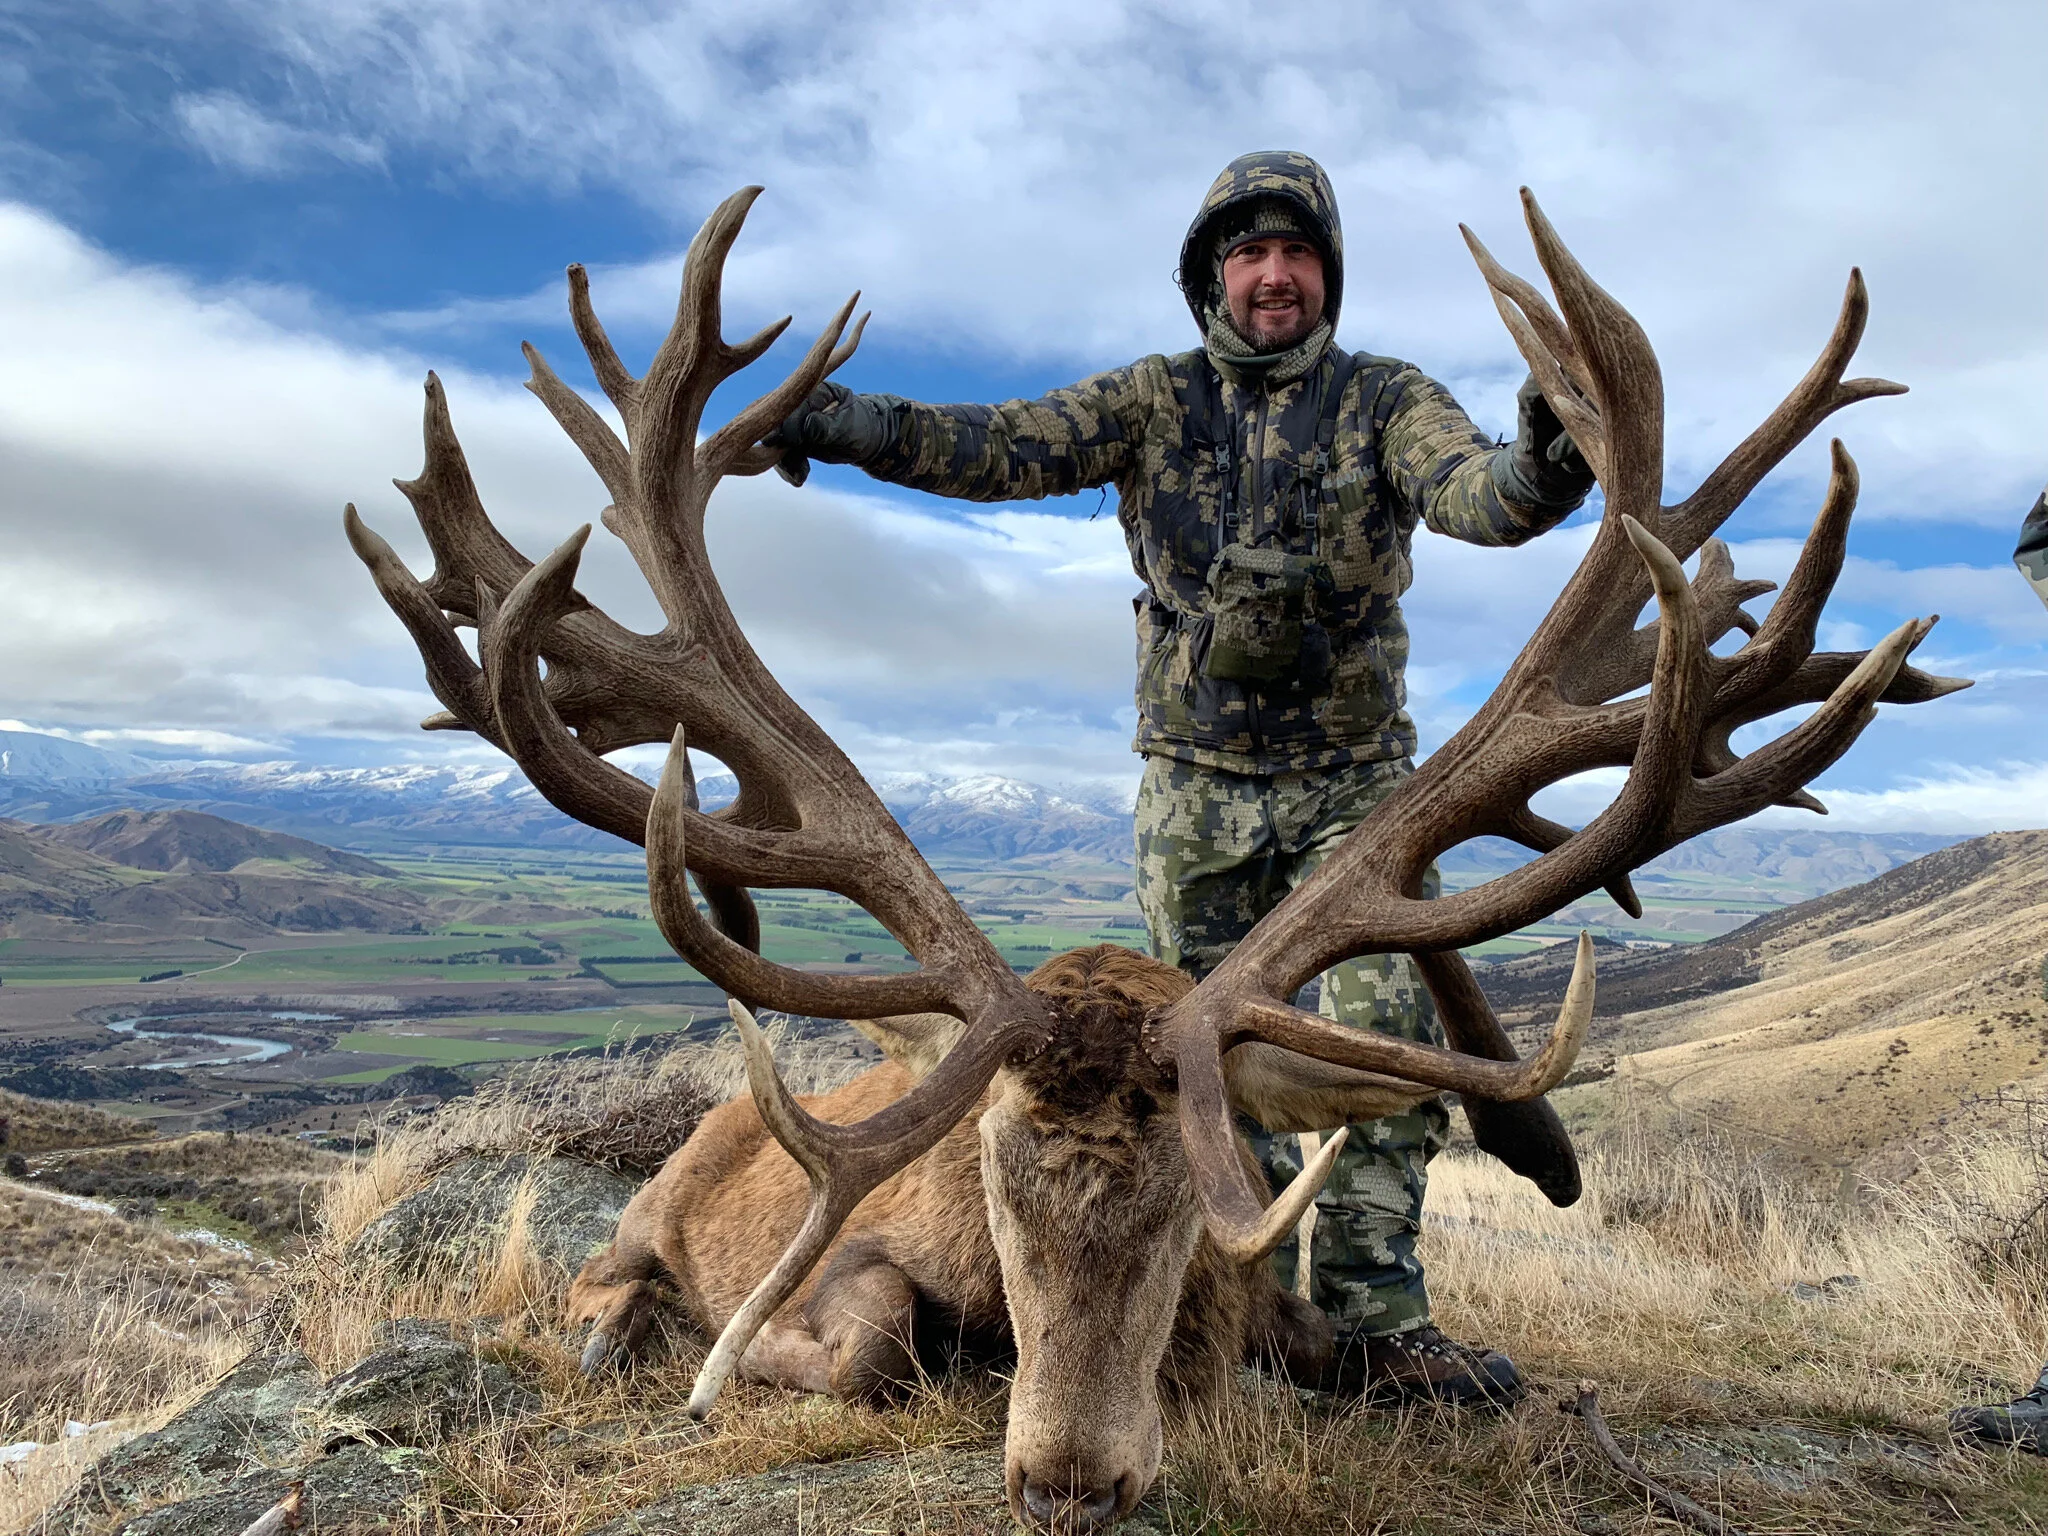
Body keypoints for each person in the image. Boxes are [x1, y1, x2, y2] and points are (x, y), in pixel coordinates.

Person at [764, 150, 1594, 1406]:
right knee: (1195, 1072)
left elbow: (1479, 493)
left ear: (1326, 275)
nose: (1274, 276)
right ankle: (1226, 1314)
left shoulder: (1384, 400)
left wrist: (1546, 445)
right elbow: (992, 446)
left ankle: (1372, 1328)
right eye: (1248, 254)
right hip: (1193, 799)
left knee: (1371, 1038)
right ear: (1210, 274)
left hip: (1356, 797)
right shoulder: (1152, 400)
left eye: (1297, 254)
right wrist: (838, 424)